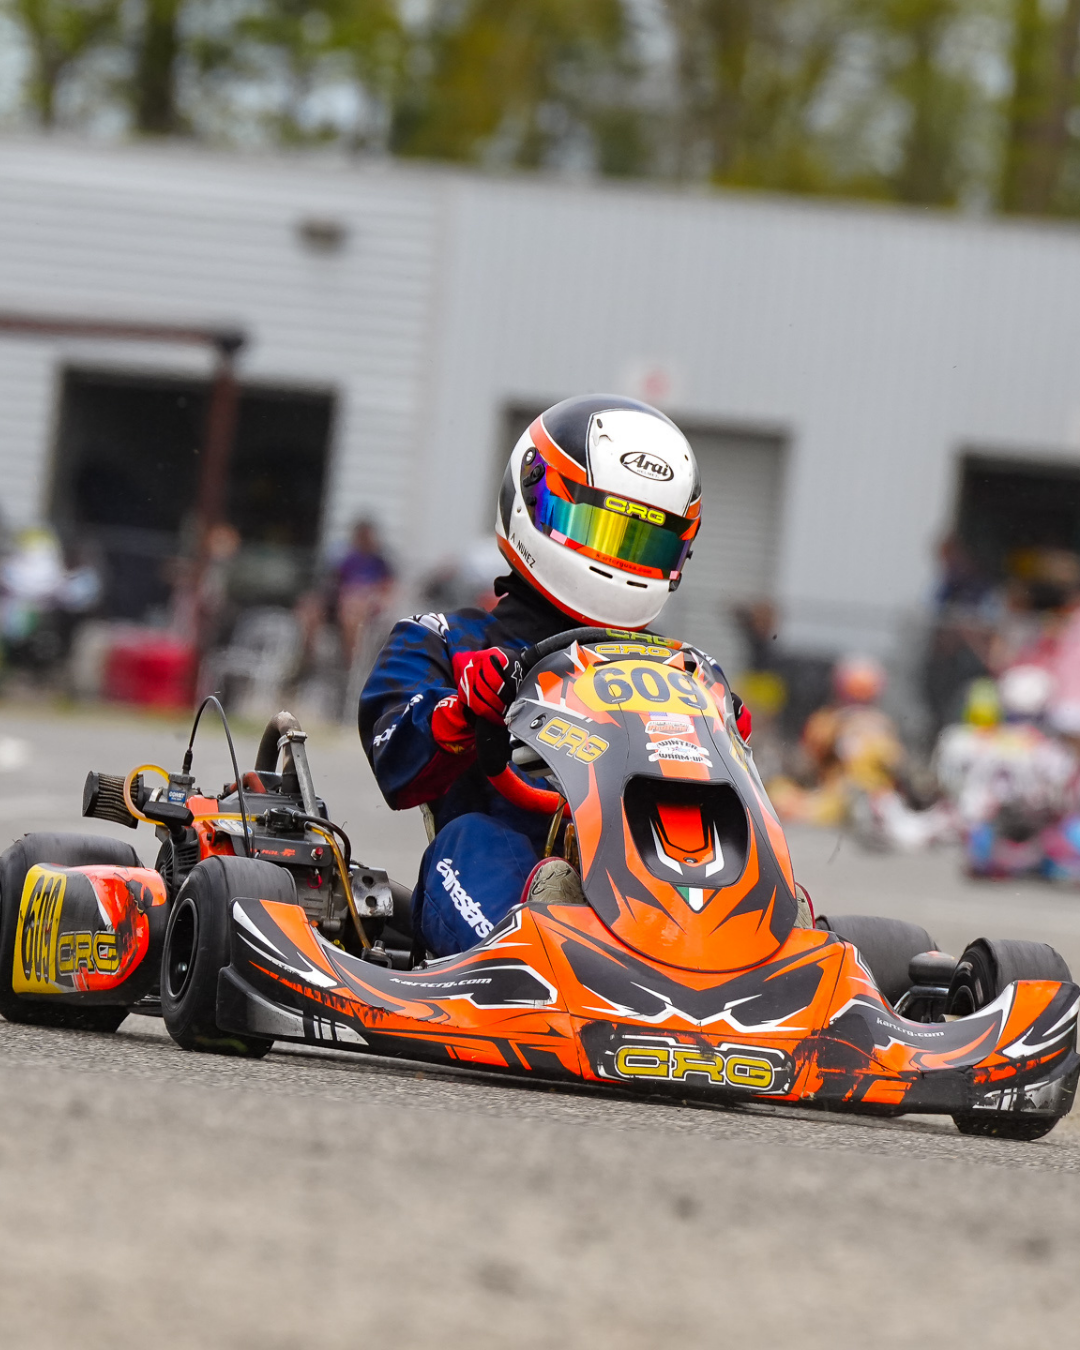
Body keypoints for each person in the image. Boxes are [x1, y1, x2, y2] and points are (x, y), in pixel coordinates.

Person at [360, 393, 718, 958]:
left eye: (644, 542)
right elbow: (394, 761)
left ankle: (777, 944)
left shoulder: (681, 671)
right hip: (509, 868)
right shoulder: (448, 641)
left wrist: (722, 729)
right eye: (595, 527)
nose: (619, 559)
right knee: (471, 840)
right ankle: (533, 949)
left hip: (657, 881)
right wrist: (460, 714)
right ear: (534, 500)